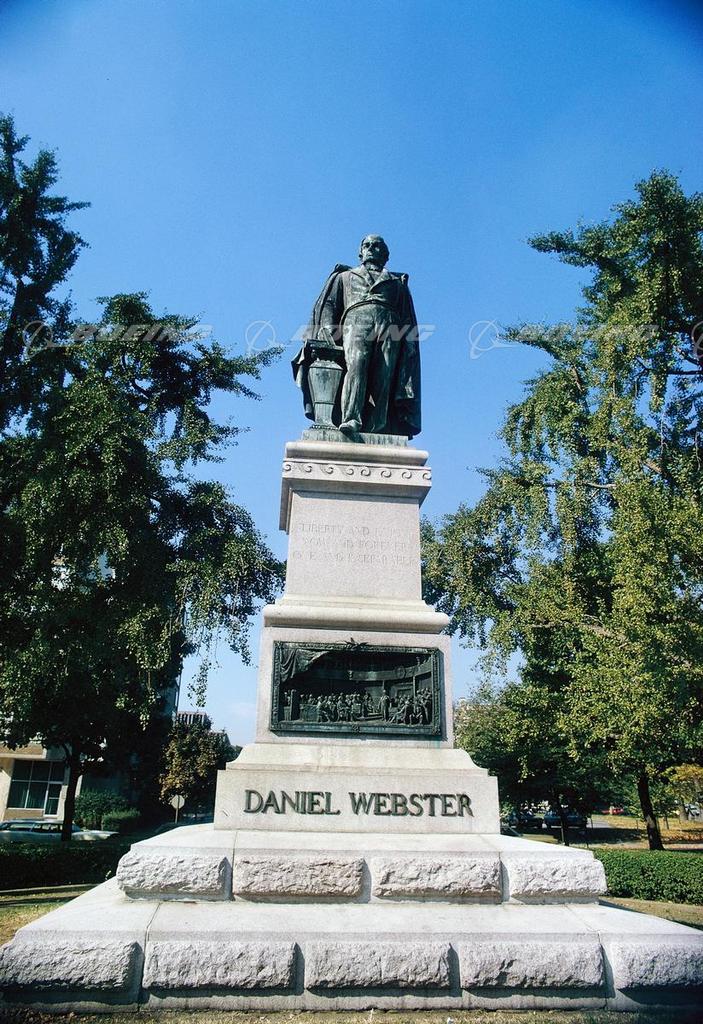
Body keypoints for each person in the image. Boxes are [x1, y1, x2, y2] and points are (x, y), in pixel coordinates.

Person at [293, 235, 421, 437]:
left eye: (377, 246)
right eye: (367, 245)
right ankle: (351, 418)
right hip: (355, 322)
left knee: (385, 374)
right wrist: (327, 328)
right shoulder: (345, 277)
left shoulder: (397, 283)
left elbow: (406, 317)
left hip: (390, 326)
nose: (371, 248)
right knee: (356, 365)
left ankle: (379, 424)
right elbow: (330, 304)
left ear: (386, 255)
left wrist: (409, 345)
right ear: (360, 253)